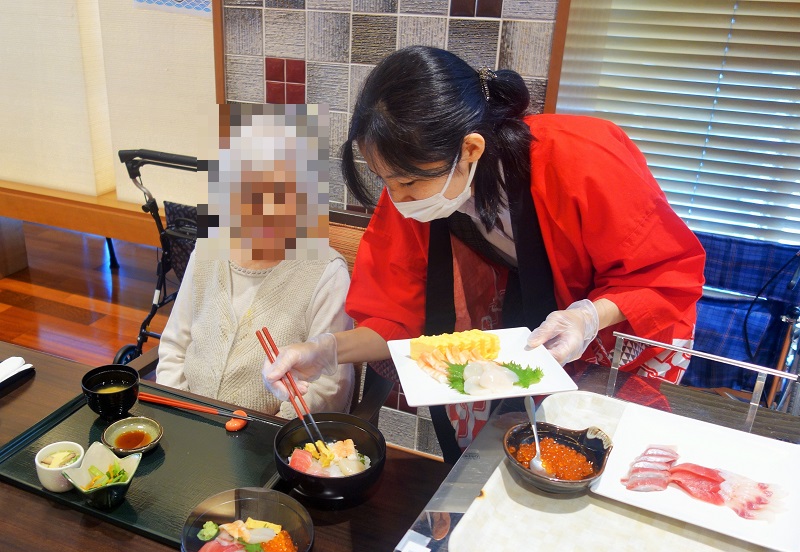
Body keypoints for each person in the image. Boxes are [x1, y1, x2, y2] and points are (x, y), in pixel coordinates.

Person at [262, 46, 705, 462]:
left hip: (608, 343)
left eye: (408, 183)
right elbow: (397, 319)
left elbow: (661, 274)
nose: (397, 200)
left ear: (470, 148)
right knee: (509, 468)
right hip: (521, 339)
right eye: (385, 181)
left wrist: (586, 317)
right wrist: (325, 351)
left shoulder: (582, 156)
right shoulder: (415, 189)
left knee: (600, 463)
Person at [157, 103, 354, 419]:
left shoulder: (326, 274)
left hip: (268, 442)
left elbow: (329, 390)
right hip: (191, 423)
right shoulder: (208, 248)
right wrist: (181, 414)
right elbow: (173, 349)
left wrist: (265, 435)